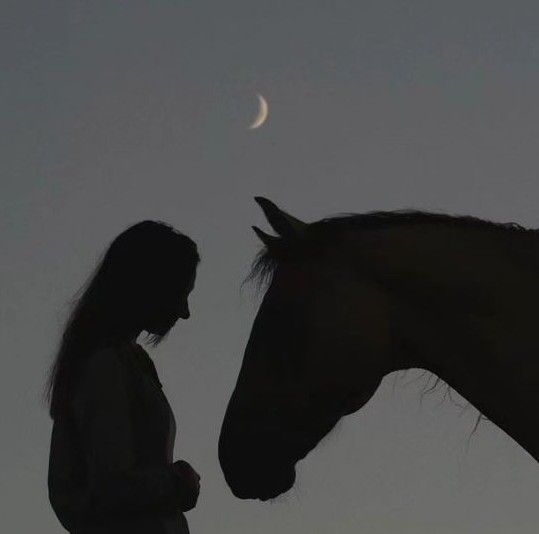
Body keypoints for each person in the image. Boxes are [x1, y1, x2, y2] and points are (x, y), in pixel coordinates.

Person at [44, 220, 201, 533]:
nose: (185, 311)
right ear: (150, 285)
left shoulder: (123, 362)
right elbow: (112, 487)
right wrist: (177, 482)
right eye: (180, 292)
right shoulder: (106, 365)